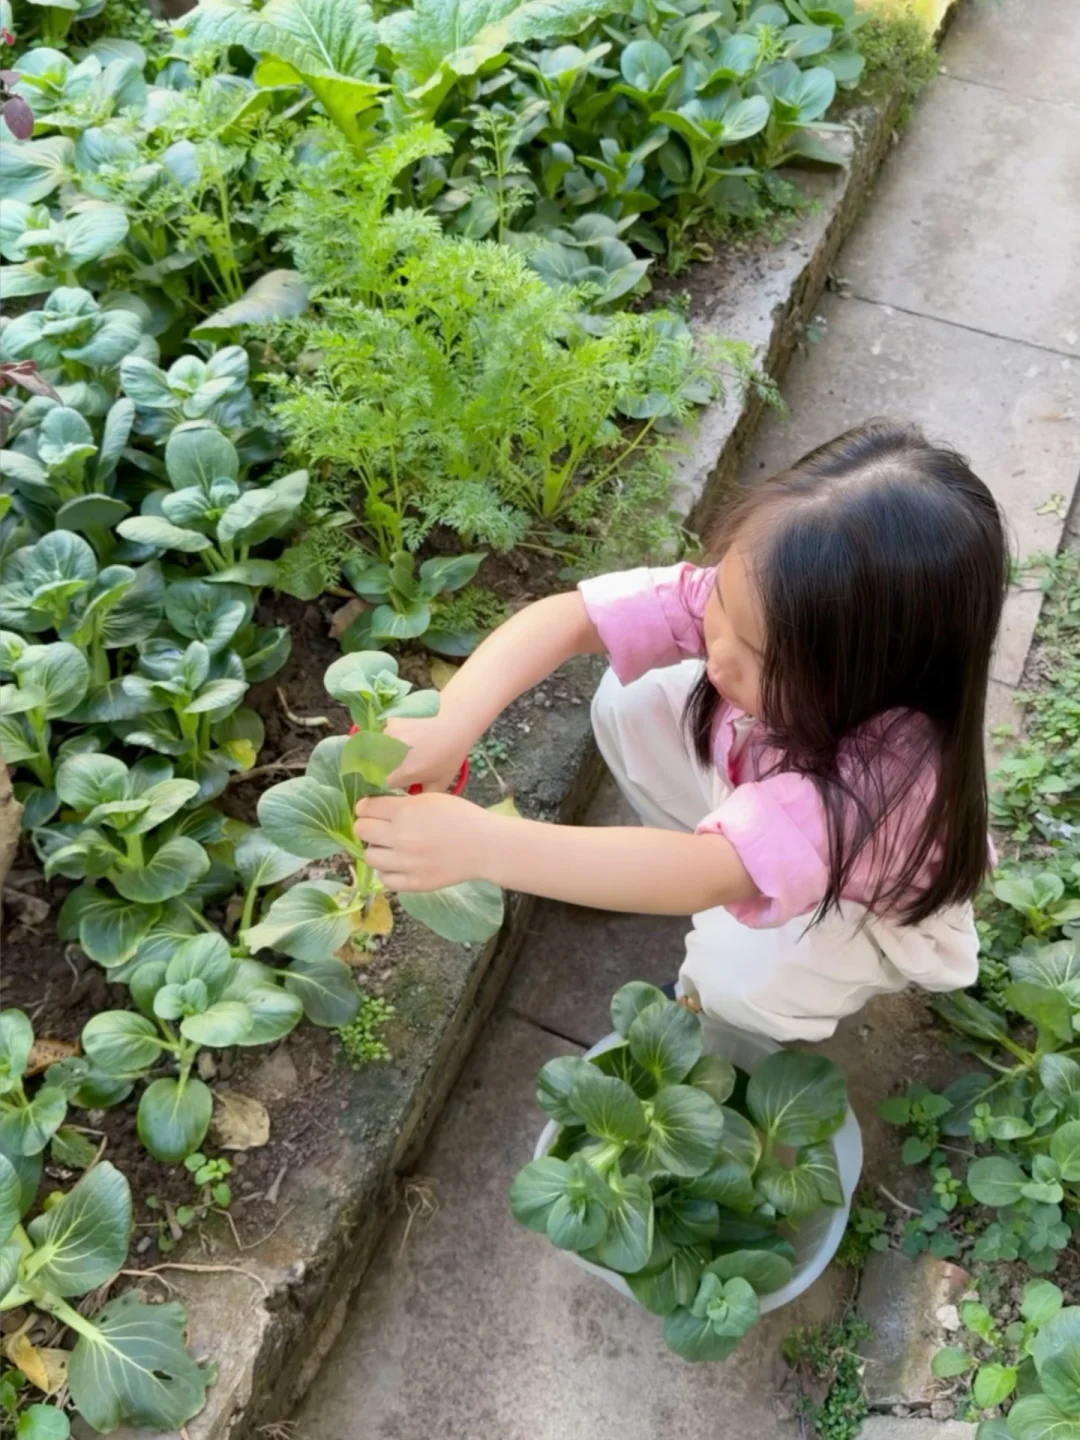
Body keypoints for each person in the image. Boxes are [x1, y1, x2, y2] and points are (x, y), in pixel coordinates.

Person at [353, 422, 1009, 1042]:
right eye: (721, 598)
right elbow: (572, 618)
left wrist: (487, 846)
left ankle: (727, 1009)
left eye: (759, 655)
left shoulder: (875, 788)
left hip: (854, 906)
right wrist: (453, 719)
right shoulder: (771, 598)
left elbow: (705, 874)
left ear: (873, 676)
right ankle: (639, 871)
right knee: (630, 697)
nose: (717, 652)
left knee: (737, 977)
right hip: (754, 805)